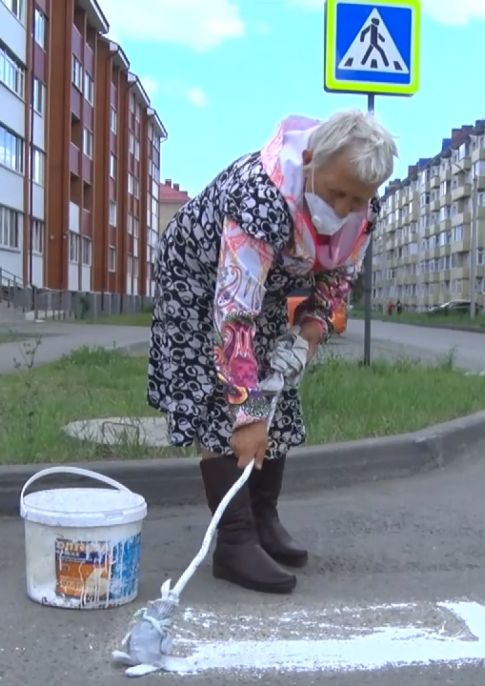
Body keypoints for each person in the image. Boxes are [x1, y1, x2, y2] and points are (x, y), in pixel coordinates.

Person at [146, 110, 398, 595]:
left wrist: (304, 342)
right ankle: (235, 541)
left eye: (357, 200)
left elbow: (337, 285)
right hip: (198, 283)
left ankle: (263, 518)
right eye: (335, 193)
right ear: (309, 161)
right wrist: (247, 417)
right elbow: (234, 316)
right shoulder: (261, 197)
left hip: (263, 288)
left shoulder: (364, 212)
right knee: (224, 400)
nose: (344, 208)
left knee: (274, 386)